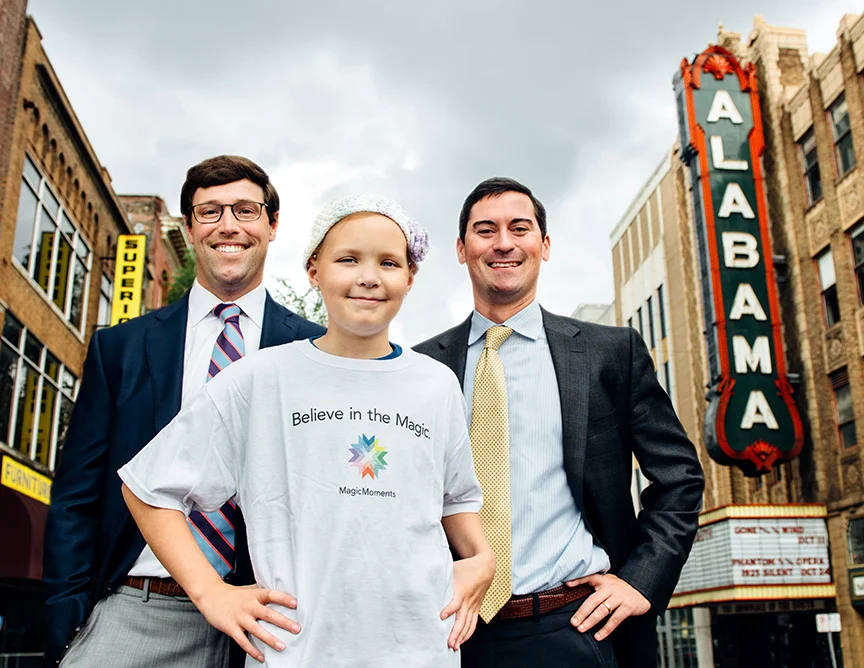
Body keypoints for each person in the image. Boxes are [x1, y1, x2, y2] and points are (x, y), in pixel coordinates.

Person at [118, 194, 495, 667]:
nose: (369, 277)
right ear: (314, 270)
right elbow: (148, 488)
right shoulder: (261, 378)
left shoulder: (437, 384)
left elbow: (456, 499)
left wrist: (482, 559)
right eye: (348, 259)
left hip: (421, 649)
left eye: (388, 262)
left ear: (409, 278)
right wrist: (210, 592)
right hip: (293, 650)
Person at [43, 155, 326, 668]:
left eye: (245, 210)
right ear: (190, 228)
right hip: (137, 607)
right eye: (210, 211)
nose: (228, 226)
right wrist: (70, 623)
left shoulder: (315, 350)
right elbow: (76, 498)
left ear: (272, 225)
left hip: (274, 620)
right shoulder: (121, 349)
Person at [414, 177, 704, 668]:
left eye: (519, 228)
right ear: (461, 250)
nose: (503, 243)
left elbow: (680, 477)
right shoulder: (421, 367)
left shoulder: (610, 353)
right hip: (447, 631)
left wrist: (640, 581)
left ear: (544, 245)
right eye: (485, 230)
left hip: (573, 627)